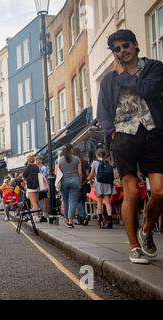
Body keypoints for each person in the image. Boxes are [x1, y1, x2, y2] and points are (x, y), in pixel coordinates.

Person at [97, 29, 163, 264]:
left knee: (159, 191)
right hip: (123, 137)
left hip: (153, 133)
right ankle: (134, 246)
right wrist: (111, 132)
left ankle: (146, 230)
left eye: (125, 46)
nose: (122, 51)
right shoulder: (107, 80)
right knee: (132, 192)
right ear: (113, 52)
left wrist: (123, 74)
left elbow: (148, 90)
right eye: (117, 49)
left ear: (135, 45)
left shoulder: (154, 68)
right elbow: (102, 111)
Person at [55, 144, 83, 228]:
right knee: (73, 201)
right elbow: (80, 173)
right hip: (75, 181)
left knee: (65, 201)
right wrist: (80, 182)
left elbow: (56, 172)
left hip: (64, 181)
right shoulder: (77, 159)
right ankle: (71, 221)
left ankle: (67, 220)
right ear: (71, 150)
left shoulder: (59, 160)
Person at [87, 148, 116, 229]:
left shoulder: (95, 163)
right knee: (107, 202)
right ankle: (110, 221)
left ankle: (100, 221)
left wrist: (87, 179)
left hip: (98, 184)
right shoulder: (108, 162)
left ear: (97, 155)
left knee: (99, 203)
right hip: (107, 183)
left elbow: (91, 175)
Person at [72, 148, 90, 226]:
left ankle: (84, 216)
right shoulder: (85, 162)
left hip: (77, 183)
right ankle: (81, 220)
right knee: (82, 200)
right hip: (84, 183)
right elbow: (87, 174)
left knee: (77, 201)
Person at [23, 155, 41, 222]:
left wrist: (24, 181)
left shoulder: (28, 167)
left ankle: (35, 218)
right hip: (37, 186)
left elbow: (24, 175)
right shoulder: (37, 167)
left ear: (28, 160)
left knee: (33, 203)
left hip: (31, 186)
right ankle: (35, 216)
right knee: (36, 202)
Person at [35, 155, 49, 222]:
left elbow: (44, 176)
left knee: (44, 200)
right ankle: (39, 213)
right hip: (37, 186)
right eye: (37, 160)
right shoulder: (35, 167)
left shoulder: (44, 168)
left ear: (41, 160)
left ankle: (44, 214)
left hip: (43, 186)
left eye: (39, 159)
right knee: (37, 200)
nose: (38, 161)